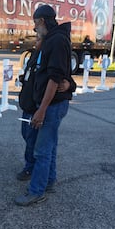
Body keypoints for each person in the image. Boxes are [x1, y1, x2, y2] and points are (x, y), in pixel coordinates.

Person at [15, 5, 74, 206]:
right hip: (47, 104)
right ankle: (49, 181)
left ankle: (37, 191)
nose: (34, 29)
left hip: (51, 106)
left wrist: (42, 110)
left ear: (40, 21)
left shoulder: (56, 41)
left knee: (42, 149)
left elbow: (54, 78)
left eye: (34, 24)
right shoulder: (50, 41)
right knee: (49, 146)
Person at [17, 35, 74, 181]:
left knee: (39, 146)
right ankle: (41, 174)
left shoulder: (51, 56)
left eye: (38, 39)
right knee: (28, 137)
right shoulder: (34, 56)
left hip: (36, 108)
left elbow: (61, 79)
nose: (36, 42)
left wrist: (69, 85)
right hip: (28, 104)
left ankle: (35, 173)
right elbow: (32, 75)